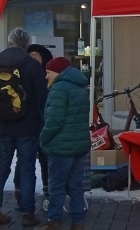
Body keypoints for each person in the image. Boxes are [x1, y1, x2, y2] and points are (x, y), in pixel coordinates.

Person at [0, 28, 48, 227]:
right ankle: (28, 214)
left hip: (3, 127)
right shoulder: (33, 67)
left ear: (9, 42)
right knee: (27, 169)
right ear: (27, 44)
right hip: (28, 128)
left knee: (1, 168)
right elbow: (42, 100)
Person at [39, 57, 90, 230]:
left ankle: (54, 221)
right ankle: (78, 221)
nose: (46, 77)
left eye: (48, 72)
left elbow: (54, 120)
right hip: (78, 145)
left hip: (61, 146)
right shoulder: (80, 86)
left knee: (57, 186)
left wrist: (43, 138)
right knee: (76, 185)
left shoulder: (59, 88)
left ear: (57, 72)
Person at [12, 44, 54, 208]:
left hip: (44, 124)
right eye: (29, 55)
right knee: (23, 161)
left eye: (35, 55)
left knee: (45, 160)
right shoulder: (22, 74)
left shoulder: (49, 77)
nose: (32, 58)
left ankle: (47, 193)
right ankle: (19, 193)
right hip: (27, 125)